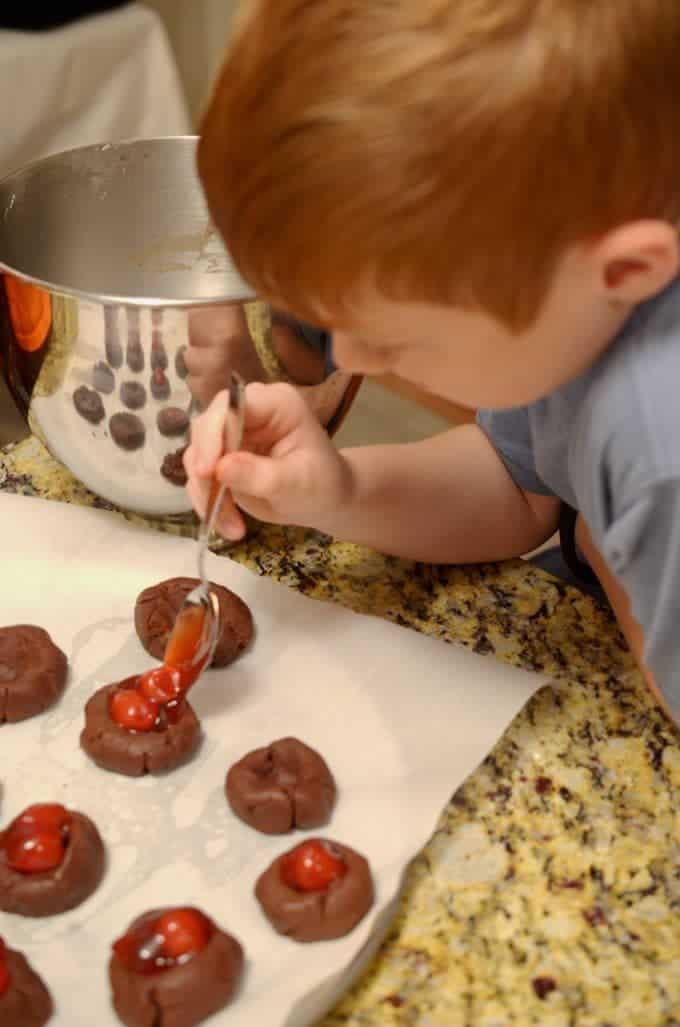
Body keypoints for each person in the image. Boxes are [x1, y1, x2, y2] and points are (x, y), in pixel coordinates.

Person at [184, 0, 680, 726]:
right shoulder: (573, 278)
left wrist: (601, 540)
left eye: (394, 340)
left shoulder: (657, 442)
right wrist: (338, 492)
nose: (349, 360)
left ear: (624, 268)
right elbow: (519, 488)